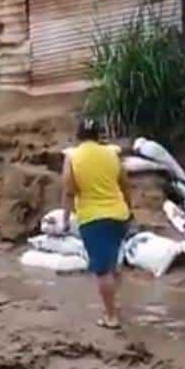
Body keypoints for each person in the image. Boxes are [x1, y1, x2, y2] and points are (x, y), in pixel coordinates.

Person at [61, 118, 132, 329]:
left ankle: (111, 317)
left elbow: (69, 189)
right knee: (112, 264)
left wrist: (65, 218)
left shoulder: (72, 157)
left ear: (78, 135)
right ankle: (113, 307)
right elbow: (125, 184)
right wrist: (129, 209)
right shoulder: (112, 153)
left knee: (102, 270)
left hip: (93, 218)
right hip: (119, 215)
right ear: (98, 135)